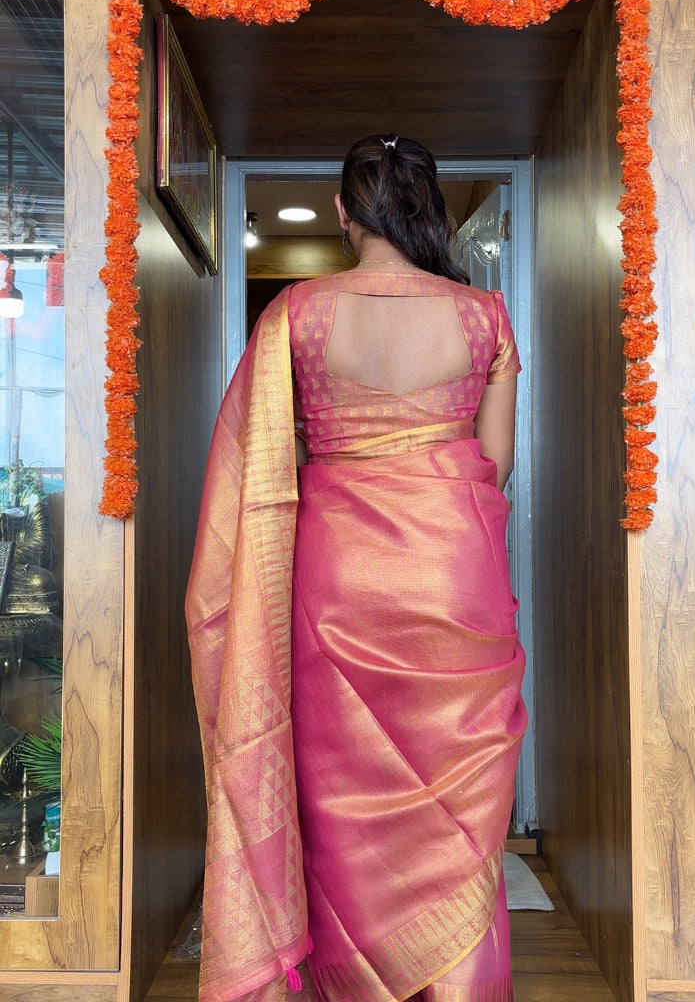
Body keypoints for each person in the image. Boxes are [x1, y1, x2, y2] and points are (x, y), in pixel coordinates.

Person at [186, 135, 527, 1002]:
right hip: (455, 577)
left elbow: (259, 461)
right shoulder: (485, 316)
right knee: (466, 811)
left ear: (344, 213)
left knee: (340, 798)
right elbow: (497, 462)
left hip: (334, 584)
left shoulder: (295, 316)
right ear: (427, 209)